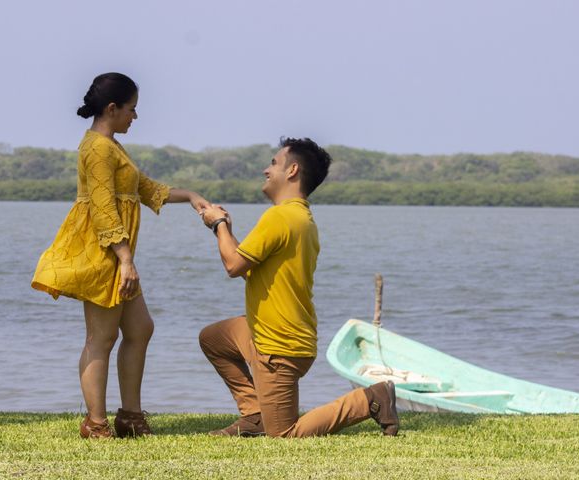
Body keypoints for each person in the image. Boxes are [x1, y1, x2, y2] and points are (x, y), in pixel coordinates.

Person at [31, 72, 210, 439]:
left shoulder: (111, 146)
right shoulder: (97, 148)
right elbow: (102, 209)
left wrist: (192, 196)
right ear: (112, 109)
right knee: (102, 338)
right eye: (132, 109)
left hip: (116, 254)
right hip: (103, 254)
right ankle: (95, 423)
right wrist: (125, 258)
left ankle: (130, 416)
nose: (135, 117)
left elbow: (144, 188)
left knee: (140, 329)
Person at [198, 137, 399, 438]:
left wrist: (219, 225)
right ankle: (255, 415)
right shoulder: (301, 218)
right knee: (213, 339)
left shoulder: (280, 217)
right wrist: (225, 227)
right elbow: (248, 267)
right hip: (265, 332)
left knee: (284, 435)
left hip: (279, 347)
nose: (267, 170)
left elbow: (232, 266)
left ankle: (371, 399)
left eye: (274, 163)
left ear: (292, 171)